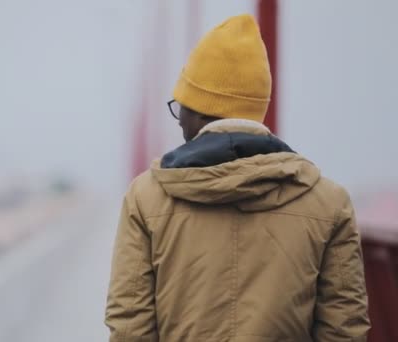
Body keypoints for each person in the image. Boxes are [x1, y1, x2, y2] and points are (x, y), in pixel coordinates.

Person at [105, 14, 370, 342]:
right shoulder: (330, 203)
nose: (178, 121)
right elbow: (344, 329)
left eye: (181, 106)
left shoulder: (146, 198)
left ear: (202, 108)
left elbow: (130, 326)